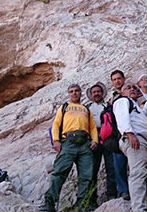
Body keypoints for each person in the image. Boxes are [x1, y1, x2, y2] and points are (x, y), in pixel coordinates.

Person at [39, 84, 98, 212]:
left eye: (77, 91)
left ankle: (83, 203)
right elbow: (56, 124)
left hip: (85, 143)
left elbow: (92, 127)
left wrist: (95, 140)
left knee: (86, 175)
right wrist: (55, 140)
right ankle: (49, 203)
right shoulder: (64, 107)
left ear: (80, 93)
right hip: (68, 142)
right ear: (69, 94)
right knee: (59, 172)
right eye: (71, 91)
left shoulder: (86, 110)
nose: (74, 93)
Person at [114, 82, 147, 211]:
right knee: (138, 173)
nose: (132, 89)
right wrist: (130, 134)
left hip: (145, 143)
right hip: (135, 139)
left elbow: (143, 115)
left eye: (134, 88)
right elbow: (122, 118)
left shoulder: (134, 105)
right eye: (128, 87)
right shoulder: (122, 101)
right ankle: (138, 208)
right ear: (122, 92)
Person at [86, 82, 117, 206]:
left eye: (98, 91)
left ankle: (111, 194)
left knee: (111, 167)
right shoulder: (87, 108)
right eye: (94, 92)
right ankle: (91, 200)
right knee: (92, 169)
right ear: (91, 95)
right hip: (93, 140)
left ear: (102, 93)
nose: (96, 94)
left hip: (108, 138)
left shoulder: (109, 106)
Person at [109, 70, 130, 200]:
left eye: (119, 78)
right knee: (119, 162)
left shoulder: (131, 90)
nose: (117, 81)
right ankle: (123, 190)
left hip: (132, 130)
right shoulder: (111, 97)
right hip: (117, 133)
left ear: (123, 79)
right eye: (114, 79)